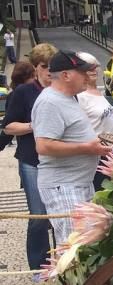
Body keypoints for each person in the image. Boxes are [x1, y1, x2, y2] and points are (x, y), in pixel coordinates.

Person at [32, 51, 112, 243]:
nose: (88, 77)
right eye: (82, 72)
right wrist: (87, 148)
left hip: (77, 183)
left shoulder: (67, 98)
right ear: (66, 75)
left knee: (85, 243)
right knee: (74, 246)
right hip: (64, 186)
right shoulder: (50, 101)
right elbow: (43, 146)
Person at [3, 44, 56, 272]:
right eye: (44, 67)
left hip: (58, 160)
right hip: (32, 160)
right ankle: (38, 267)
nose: (49, 71)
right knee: (38, 216)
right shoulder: (23, 93)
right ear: (36, 68)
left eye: (52, 66)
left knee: (60, 214)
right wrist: (35, 125)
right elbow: (8, 127)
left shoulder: (60, 89)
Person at [75, 52, 113, 190]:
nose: (93, 70)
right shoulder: (80, 96)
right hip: (98, 156)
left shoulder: (97, 92)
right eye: (88, 68)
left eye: (95, 66)